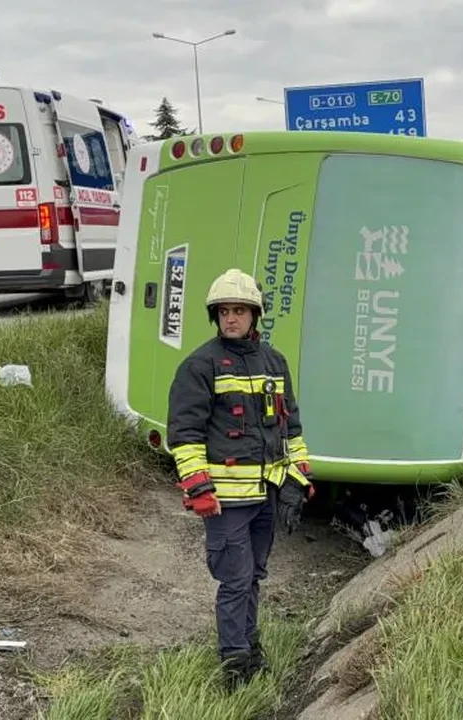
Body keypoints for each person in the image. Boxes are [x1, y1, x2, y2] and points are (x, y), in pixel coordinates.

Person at [166, 268, 314, 688]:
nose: (231, 319)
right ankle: (234, 663)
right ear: (216, 317)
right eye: (225, 312)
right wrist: (198, 487)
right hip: (226, 503)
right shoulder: (200, 365)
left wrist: (295, 484)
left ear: (255, 315)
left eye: (240, 311)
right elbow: (186, 435)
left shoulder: (274, 362)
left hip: (265, 497)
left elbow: (291, 430)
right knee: (234, 579)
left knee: (253, 577)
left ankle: (250, 647)